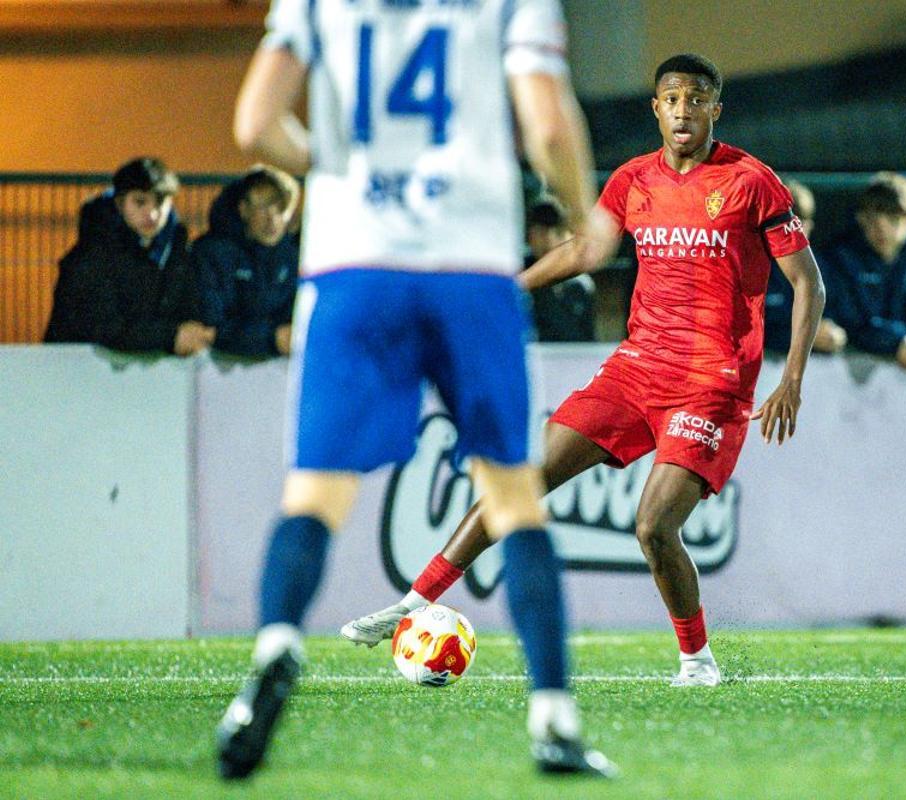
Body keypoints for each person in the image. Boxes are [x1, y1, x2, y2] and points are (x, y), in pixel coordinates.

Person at [216, 0, 615, 781]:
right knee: (512, 498)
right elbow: (550, 126)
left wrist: (338, 166)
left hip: (353, 267)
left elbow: (256, 125)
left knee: (315, 496)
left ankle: (272, 656)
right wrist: (584, 214)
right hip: (469, 269)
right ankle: (555, 721)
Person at [342, 53, 825, 690]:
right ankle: (415, 601)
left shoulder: (751, 182)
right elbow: (587, 250)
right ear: (656, 109)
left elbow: (808, 284)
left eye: (697, 99)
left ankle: (696, 660)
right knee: (523, 476)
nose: (684, 110)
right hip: (637, 368)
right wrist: (512, 288)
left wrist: (790, 378)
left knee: (654, 526)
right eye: (672, 98)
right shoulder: (632, 180)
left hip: (713, 382)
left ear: (715, 110)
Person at [43, 157, 214, 354]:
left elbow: (188, 310)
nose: (152, 214)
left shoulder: (178, 253)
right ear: (120, 203)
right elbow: (104, 327)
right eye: (140, 202)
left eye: (160, 202)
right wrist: (170, 336)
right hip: (74, 370)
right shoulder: (90, 255)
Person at [820, 172, 906, 371]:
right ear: (860, 219)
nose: (882, 230)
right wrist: (899, 341)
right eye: (872, 220)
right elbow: (851, 321)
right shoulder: (843, 258)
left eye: (894, 220)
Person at [194, 165, 300, 358]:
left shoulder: (293, 256)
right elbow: (211, 326)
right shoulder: (213, 254)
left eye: (281, 208)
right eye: (264, 206)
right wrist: (272, 339)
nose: (273, 218)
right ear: (243, 209)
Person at [764, 180, 845, 355]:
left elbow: (839, 315)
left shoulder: (820, 267)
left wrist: (833, 332)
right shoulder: (751, 268)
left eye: (798, 224)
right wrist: (807, 336)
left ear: (809, 227)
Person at [524, 196, 595, 342]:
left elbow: (588, 341)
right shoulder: (517, 278)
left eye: (557, 232)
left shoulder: (581, 284)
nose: (549, 239)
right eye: (541, 231)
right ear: (530, 236)